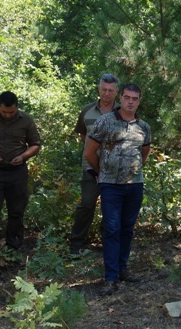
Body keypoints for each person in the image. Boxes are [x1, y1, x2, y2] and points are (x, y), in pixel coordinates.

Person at [84, 83, 151, 296]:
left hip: (134, 185)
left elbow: (144, 154)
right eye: (127, 97)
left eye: (135, 98)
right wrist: (101, 172)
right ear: (120, 98)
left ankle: (123, 269)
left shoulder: (144, 127)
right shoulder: (106, 121)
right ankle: (110, 277)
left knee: (127, 228)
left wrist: (133, 172)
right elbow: (90, 152)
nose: (131, 101)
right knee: (111, 228)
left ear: (139, 101)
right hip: (110, 185)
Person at [0, 91, 41, 250]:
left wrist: (23, 156)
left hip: (17, 172)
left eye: (12, 112)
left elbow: (36, 144)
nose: (8, 115)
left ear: (17, 107)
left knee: (16, 210)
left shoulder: (26, 120)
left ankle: (14, 245)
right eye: (4, 112)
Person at [69, 73, 120, 255]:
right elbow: (83, 136)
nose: (107, 93)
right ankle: (76, 243)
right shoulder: (87, 110)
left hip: (115, 169)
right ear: (99, 89)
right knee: (86, 204)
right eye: (104, 89)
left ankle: (108, 242)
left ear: (116, 92)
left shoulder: (123, 112)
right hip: (90, 167)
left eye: (110, 91)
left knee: (111, 206)